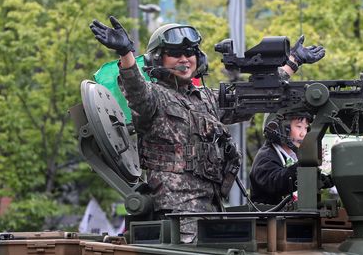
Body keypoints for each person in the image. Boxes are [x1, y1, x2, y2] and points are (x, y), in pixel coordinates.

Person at [89, 16, 325, 242]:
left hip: (211, 208)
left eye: (190, 53)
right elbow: (136, 91)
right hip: (177, 215)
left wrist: (293, 62)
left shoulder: (205, 98)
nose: (184, 59)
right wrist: (126, 54)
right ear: (158, 60)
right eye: (174, 54)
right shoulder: (155, 97)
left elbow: (256, 97)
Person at [249, 112, 333, 205]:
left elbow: (309, 178)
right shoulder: (265, 157)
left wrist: (331, 178)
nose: (303, 134)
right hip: (271, 218)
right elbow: (278, 183)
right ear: (280, 128)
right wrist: (306, 161)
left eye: (306, 128)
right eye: (299, 126)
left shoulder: (293, 156)